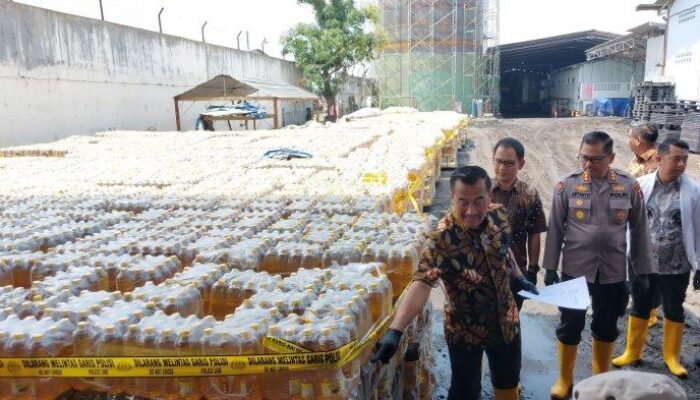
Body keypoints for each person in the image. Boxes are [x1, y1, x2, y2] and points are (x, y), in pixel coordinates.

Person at [372, 166, 538, 400]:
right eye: (463, 202)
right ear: (452, 198)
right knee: (465, 390)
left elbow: (504, 251)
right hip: (464, 330)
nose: (471, 211)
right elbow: (422, 284)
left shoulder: (498, 216)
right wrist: (395, 331)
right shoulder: (441, 238)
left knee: (508, 381)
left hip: (506, 321)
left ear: (489, 197)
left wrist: (519, 278)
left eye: (479, 201)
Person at [543, 131, 653, 399]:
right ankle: (564, 381)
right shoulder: (566, 185)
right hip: (575, 271)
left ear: (612, 157)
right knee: (570, 325)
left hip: (614, 272)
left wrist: (642, 272)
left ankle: (599, 384)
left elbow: (640, 231)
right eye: (584, 158)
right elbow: (556, 229)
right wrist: (549, 268)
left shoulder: (629, 186)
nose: (588, 164)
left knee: (605, 326)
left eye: (596, 159)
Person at [612, 139, 700, 378]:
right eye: (676, 158)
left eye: (685, 159)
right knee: (640, 305)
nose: (681, 164)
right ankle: (633, 352)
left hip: (677, 265)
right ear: (659, 159)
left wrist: (699, 265)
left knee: (674, 309)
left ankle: (671, 357)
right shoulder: (639, 186)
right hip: (642, 263)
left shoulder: (694, 191)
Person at [439, 138, 547, 309]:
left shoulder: (529, 195)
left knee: (510, 319)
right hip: (477, 271)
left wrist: (532, 270)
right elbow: (461, 224)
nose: (502, 168)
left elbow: (534, 233)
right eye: (498, 162)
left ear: (521, 164)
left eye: (509, 163)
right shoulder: (479, 192)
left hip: (514, 272)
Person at [626, 122, 662, 327]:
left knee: (647, 270)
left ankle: (648, 311)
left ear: (638, 140)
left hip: (650, 227)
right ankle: (643, 306)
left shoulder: (658, 163)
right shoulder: (638, 160)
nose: (628, 139)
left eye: (630, 136)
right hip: (635, 224)